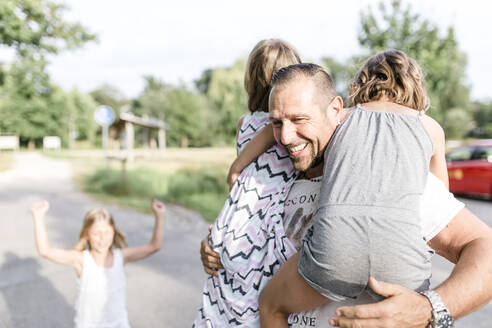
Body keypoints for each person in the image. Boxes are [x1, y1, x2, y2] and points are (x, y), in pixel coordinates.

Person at [200, 62, 492, 326]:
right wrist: (218, 247)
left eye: (300, 119)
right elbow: (246, 236)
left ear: (336, 110)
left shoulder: (392, 177)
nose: (286, 137)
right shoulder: (276, 175)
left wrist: (430, 308)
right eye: (277, 122)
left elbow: (485, 249)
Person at [192, 38, 302, 327]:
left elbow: (242, 185)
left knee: (231, 300)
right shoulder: (291, 124)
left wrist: (238, 164)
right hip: (273, 226)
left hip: (240, 224)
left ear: (250, 80)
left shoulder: (245, 123)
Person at [31, 199, 165, 328]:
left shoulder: (121, 257)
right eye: (96, 233)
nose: (102, 239)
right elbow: (45, 251)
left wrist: (160, 215)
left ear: (113, 231)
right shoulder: (81, 260)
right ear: (87, 234)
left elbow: (155, 246)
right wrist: (38, 217)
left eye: (107, 232)